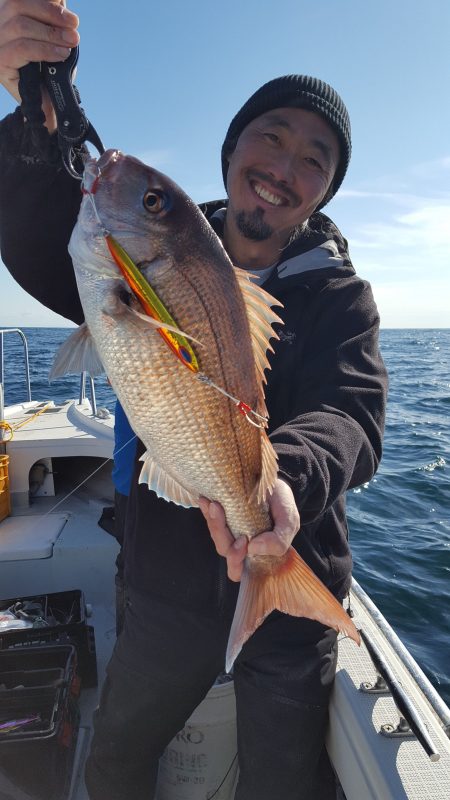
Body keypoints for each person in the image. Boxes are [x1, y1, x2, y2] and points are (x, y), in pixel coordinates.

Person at [0, 3, 388, 798]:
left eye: (316, 158)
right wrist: (35, 114)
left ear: (324, 192)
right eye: (271, 135)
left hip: (291, 567)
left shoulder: (342, 299)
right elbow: (43, 245)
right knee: (115, 762)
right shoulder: (157, 251)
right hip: (163, 584)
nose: (286, 164)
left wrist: (280, 486)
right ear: (232, 146)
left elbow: (352, 416)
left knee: (282, 781)